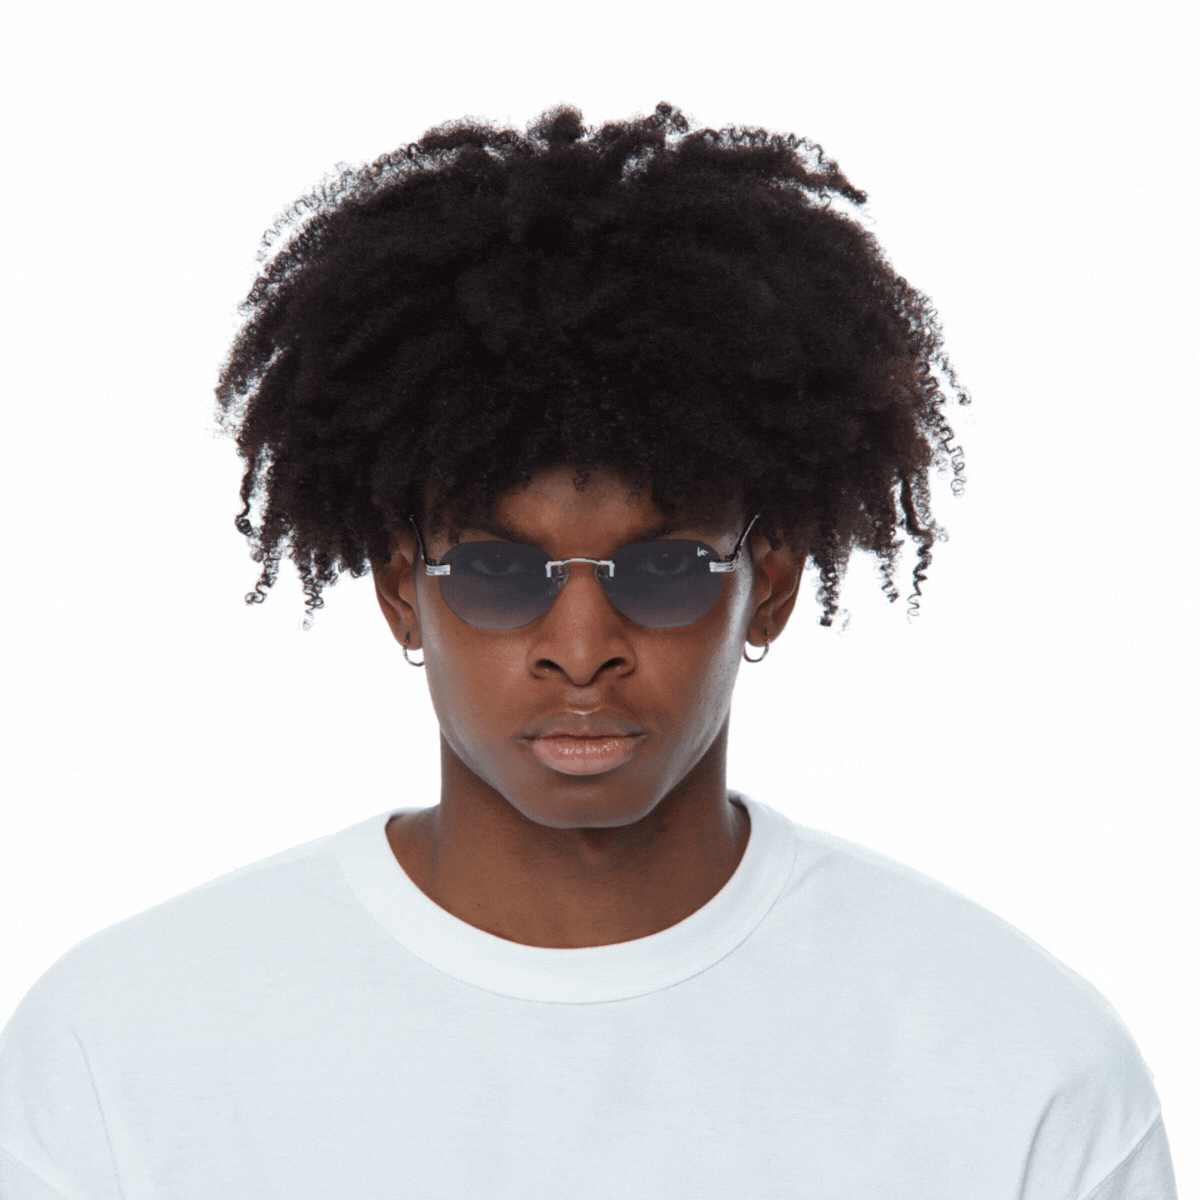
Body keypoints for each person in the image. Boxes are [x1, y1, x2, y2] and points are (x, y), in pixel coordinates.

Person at [0, 103, 1176, 1199]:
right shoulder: (127, 1048)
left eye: (661, 570)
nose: (580, 649)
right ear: (404, 595)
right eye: (498, 572)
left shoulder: (1019, 1065)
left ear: (766, 591)